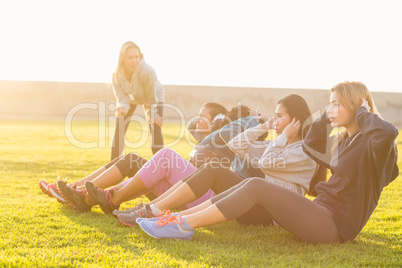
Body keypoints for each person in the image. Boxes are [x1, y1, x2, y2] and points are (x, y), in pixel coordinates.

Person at [137, 81, 399, 244]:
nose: (329, 110)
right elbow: (311, 142)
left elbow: (388, 134)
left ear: (355, 106)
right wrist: (327, 116)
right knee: (251, 183)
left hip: (334, 225)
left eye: (335, 105)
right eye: (329, 104)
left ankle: (180, 224)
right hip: (319, 211)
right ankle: (174, 218)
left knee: (255, 185)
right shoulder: (343, 142)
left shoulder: (373, 145)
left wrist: (363, 111)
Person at [113, 94, 325, 227]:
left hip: (271, 215)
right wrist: (263, 126)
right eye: (275, 116)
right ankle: (152, 209)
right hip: (256, 203)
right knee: (213, 169)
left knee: (214, 170)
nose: (276, 121)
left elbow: (267, 163)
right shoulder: (279, 144)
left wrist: (281, 136)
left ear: (296, 120)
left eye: (281, 117)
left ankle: (153, 210)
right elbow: (237, 144)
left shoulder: (305, 152)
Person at [56, 104, 253, 214]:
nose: (198, 119)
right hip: (188, 193)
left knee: (164, 157)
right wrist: (211, 124)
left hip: (204, 198)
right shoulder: (208, 139)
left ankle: (96, 196)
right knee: (135, 161)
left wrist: (226, 122)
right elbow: (193, 127)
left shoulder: (231, 140)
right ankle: (85, 197)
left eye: (204, 116)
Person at [111, 41, 164, 160]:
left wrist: (153, 116)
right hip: (132, 97)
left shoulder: (147, 71)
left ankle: (161, 166)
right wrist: (122, 106)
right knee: (119, 125)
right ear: (122, 59)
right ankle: (112, 165)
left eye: (136, 57)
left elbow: (150, 98)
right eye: (130, 57)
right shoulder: (117, 75)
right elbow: (121, 96)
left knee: (155, 126)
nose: (134, 61)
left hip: (154, 97)